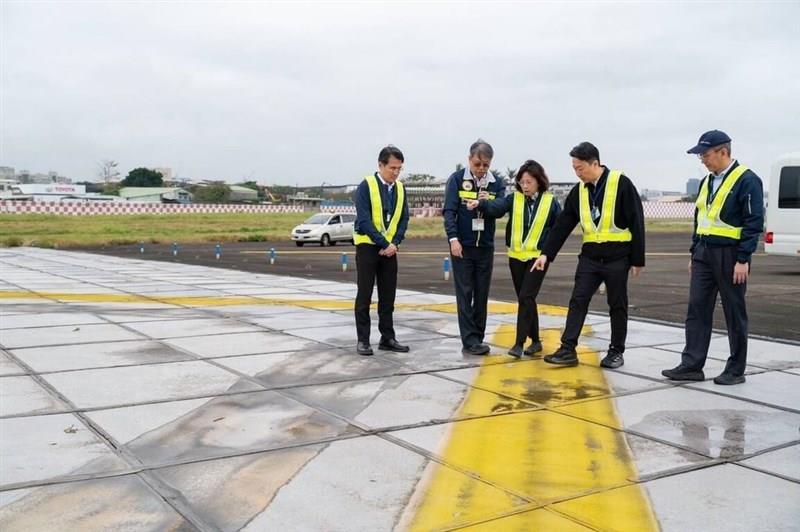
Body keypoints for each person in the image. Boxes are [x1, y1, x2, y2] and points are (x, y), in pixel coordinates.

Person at [662, 130, 764, 385]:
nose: (703, 160)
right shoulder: (706, 182)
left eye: (705, 155)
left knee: (734, 311)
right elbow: (701, 219)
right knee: (697, 308)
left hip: (730, 256)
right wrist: (694, 252)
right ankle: (692, 365)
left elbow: (753, 223)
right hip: (703, 255)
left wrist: (743, 259)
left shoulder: (748, 180)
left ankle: (735, 369)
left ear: (723, 152)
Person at [532, 142, 645, 368]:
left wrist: (637, 259)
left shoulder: (620, 184)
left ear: (595, 163)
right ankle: (567, 349)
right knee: (578, 300)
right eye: (574, 168)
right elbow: (563, 225)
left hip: (617, 258)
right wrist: (546, 254)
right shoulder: (579, 192)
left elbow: (637, 220)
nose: (577, 173)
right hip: (590, 259)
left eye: (580, 168)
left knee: (617, 304)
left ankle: (616, 351)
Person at [466, 160, 561, 358]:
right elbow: (497, 207)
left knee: (526, 297)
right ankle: (535, 341)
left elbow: (558, 230)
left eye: (528, 182)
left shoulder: (550, 203)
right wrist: (481, 204)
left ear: (539, 181)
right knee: (526, 299)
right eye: (521, 182)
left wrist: (547, 253)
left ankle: (519, 343)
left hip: (537, 259)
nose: (524, 186)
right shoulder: (514, 199)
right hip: (516, 257)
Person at [443, 139, 507, 356]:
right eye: (477, 164)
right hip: (463, 246)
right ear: (469, 160)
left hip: (485, 246)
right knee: (465, 292)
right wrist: (453, 239)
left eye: (485, 165)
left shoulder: (496, 183)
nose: (481, 169)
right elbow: (449, 211)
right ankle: (469, 340)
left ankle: (478, 337)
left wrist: (484, 203)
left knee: (481, 294)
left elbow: (500, 208)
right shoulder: (456, 180)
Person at [353, 145, 411, 356]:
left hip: (390, 250)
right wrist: (383, 243)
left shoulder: (401, 189)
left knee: (388, 296)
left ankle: (387, 337)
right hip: (368, 247)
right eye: (392, 168)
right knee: (365, 295)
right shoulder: (366, 186)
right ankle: (363, 340)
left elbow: (404, 218)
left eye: (399, 168)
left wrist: (395, 243)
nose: (396, 172)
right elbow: (364, 220)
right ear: (380, 165)